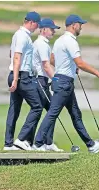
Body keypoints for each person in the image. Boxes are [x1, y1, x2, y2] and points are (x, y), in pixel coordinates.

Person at [34, 14, 99, 153]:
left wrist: (68, 66)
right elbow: (80, 63)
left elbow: (52, 60)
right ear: (74, 25)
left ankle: (91, 145)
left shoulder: (59, 40)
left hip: (63, 81)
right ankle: (38, 143)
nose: (81, 27)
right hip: (64, 83)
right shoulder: (71, 41)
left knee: (75, 114)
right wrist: (97, 73)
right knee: (53, 113)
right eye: (80, 25)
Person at [4, 11, 43, 151]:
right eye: (37, 24)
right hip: (21, 76)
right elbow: (16, 57)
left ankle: (8, 144)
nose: (38, 27)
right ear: (31, 22)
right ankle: (21, 139)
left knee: (14, 110)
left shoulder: (17, 35)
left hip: (16, 74)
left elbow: (11, 53)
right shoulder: (22, 36)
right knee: (37, 106)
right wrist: (15, 79)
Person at [31, 18, 63, 152]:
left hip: (40, 80)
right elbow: (45, 65)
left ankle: (46, 142)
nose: (53, 32)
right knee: (51, 110)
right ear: (43, 30)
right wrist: (56, 80)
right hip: (40, 80)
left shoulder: (40, 43)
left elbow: (49, 61)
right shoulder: (42, 44)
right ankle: (42, 143)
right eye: (51, 29)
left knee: (50, 110)